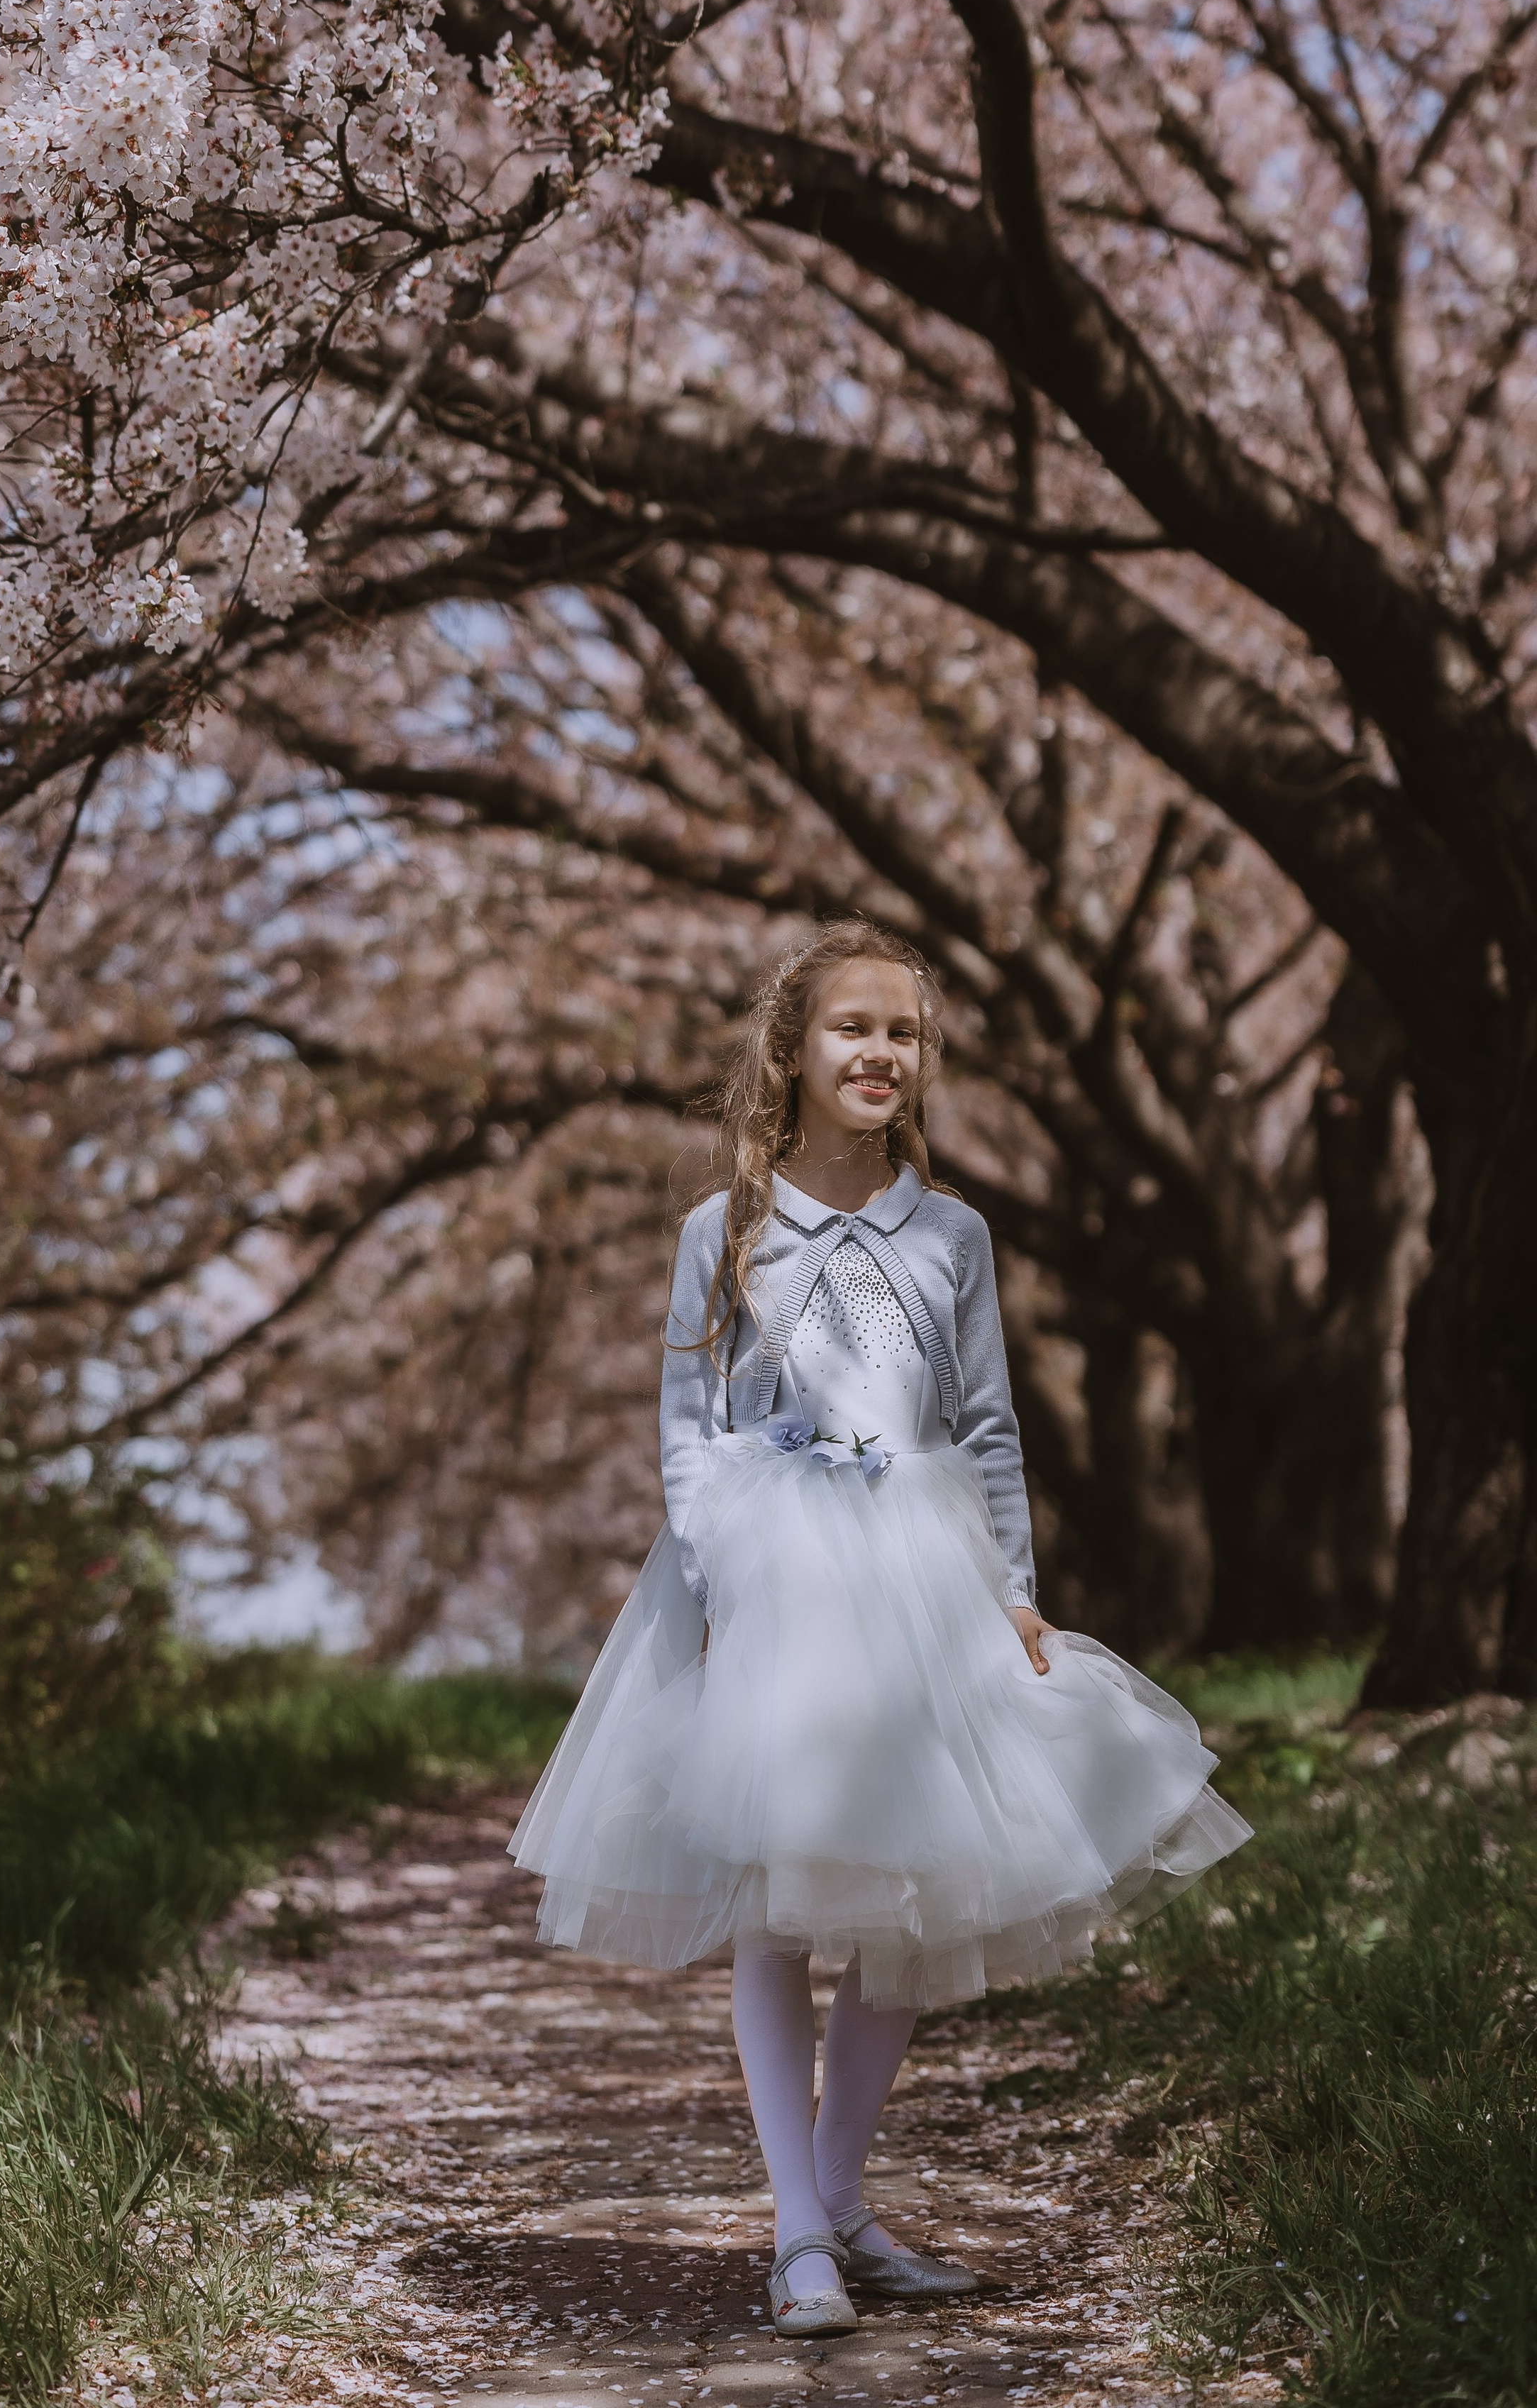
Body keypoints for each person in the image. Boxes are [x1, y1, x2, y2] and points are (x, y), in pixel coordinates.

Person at [510, 921, 1250, 2338]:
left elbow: (982, 1427)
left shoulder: (950, 1234)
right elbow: (686, 1429)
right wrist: (722, 1584)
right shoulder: (722, 1234)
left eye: (902, 1034)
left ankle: (841, 2198)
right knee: (779, 1909)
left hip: (923, 1573)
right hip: (768, 1572)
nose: (879, 1054)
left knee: (910, 1895)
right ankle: (792, 2227)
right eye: (853, 1028)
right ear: (793, 1055)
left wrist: (1014, 1592)